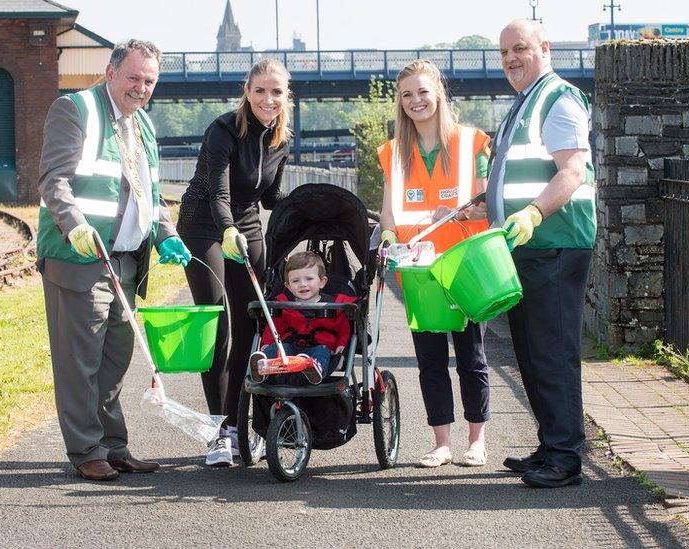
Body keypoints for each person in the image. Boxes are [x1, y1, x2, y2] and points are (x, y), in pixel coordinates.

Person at [37, 39, 192, 481]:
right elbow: (54, 180)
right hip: (80, 257)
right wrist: (74, 225)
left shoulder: (142, 125)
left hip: (127, 261)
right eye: (133, 78)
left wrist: (166, 235)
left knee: (114, 360)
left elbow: (149, 195)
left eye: (149, 81)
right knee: (80, 359)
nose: (141, 88)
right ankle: (86, 450)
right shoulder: (75, 110)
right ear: (110, 73)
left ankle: (113, 445)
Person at [488, 20, 597, 488]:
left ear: (544, 48)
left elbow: (572, 171)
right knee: (531, 352)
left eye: (520, 48)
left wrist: (532, 213)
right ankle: (550, 442)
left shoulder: (558, 98)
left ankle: (565, 457)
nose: (511, 58)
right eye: (505, 52)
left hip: (553, 243)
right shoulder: (526, 101)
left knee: (551, 351)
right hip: (527, 245)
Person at [377, 59, 492, 469]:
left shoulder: (471, 142)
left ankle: (476, 440)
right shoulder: (393, 152)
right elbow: (388, 213)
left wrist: (459, 213)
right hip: (418, 271)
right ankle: (441, 442)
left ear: (438, 93)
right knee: (429, 360)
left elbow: (487, 209)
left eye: (423, 91)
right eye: (406, 94)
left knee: (470, 356)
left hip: (461, 265)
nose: (415, 101)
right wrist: (388, 236)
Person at [177, 58, 291, 467]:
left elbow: (270, 199)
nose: (268, 99)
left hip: (245, 223)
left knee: (251, 323)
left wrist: (310, 206)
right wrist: (227, 230)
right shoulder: (223, 130)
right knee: (219, 327)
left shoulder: (281, 139)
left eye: (276, 91)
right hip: (204, 225)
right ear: (247, 91)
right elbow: (218, 193)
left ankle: (243, 428)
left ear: (285, 95)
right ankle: (220, 431)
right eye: (259, 90)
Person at [249, 251, 356, 385]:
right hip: (290, 349)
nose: (302, 284)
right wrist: (266, 343)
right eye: (295, 281)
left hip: (320, 347)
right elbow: (274, 326)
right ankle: (262, 367)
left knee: (322, 352)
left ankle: (313, 370)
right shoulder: (282, 304)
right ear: (288, 286)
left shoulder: (334, 305)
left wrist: (341, 344)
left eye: (309, 279)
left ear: (322, 282)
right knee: (280, 348)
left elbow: (343, 328)